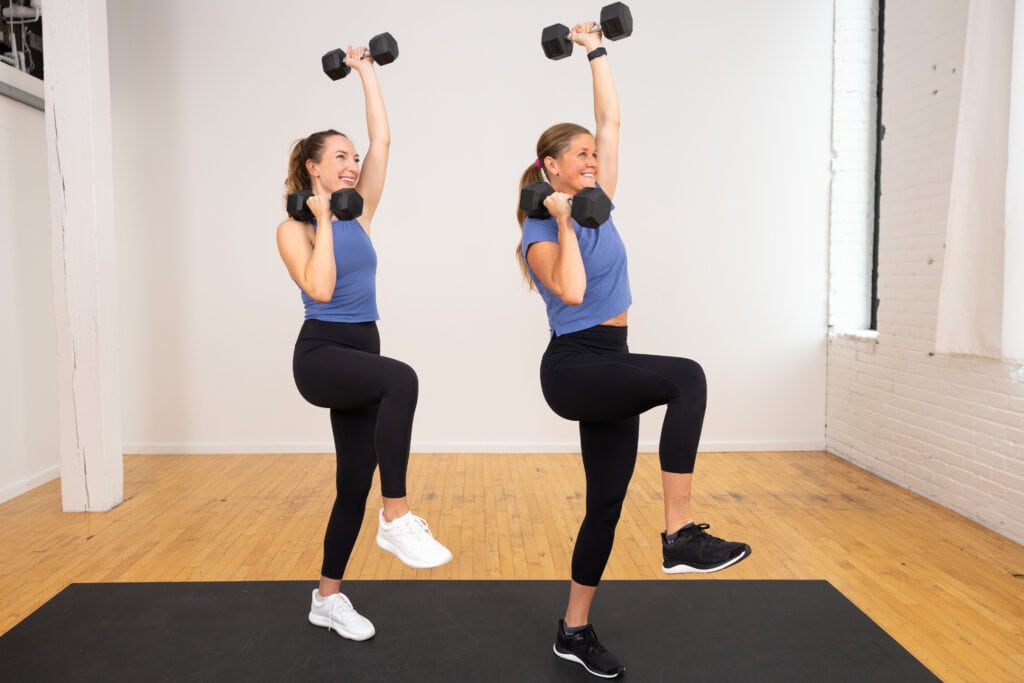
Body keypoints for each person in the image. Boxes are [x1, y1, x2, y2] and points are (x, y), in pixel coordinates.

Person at [515, 23, 751, 678]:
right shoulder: (540, 232)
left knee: (606, 504)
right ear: (550, 169)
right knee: (687, 378)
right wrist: (562, 221)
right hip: (574, 368)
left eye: (593, 154)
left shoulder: (600, 204)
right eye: (578, 155)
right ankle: (679, 535)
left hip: (611, 361)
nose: (592, 159)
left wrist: (595, 48)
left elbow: (612, 118)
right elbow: (573, 289)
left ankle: (574, 627)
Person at [277, 44, 451, 642]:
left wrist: (366, 72)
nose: (352, 165)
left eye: (352, 159)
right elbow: (321, 290)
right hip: (322, 355)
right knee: (401, 379)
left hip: (363, 350)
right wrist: (322, 220)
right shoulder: (294, 228)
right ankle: (397, 514)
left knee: (353, 480)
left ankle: (327, 598)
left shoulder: (363, 213)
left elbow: (384, 142)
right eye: (339, 158)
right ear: (313, 171)